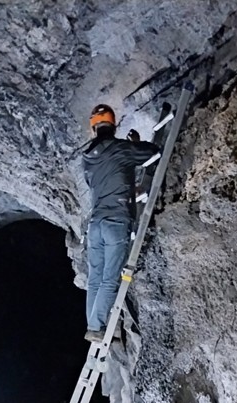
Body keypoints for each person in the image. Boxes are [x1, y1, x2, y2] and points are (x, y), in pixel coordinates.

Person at [82, 103, 161, 343]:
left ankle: (93, 324)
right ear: (113, 125)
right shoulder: (120, 148)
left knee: (95, 277)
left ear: (93, 129)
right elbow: (152, 152)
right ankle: (96, 327)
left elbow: (93, 183)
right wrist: (134, 143)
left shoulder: (87, 158)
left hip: (95, 224)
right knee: (109, 278)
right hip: (116, 220)